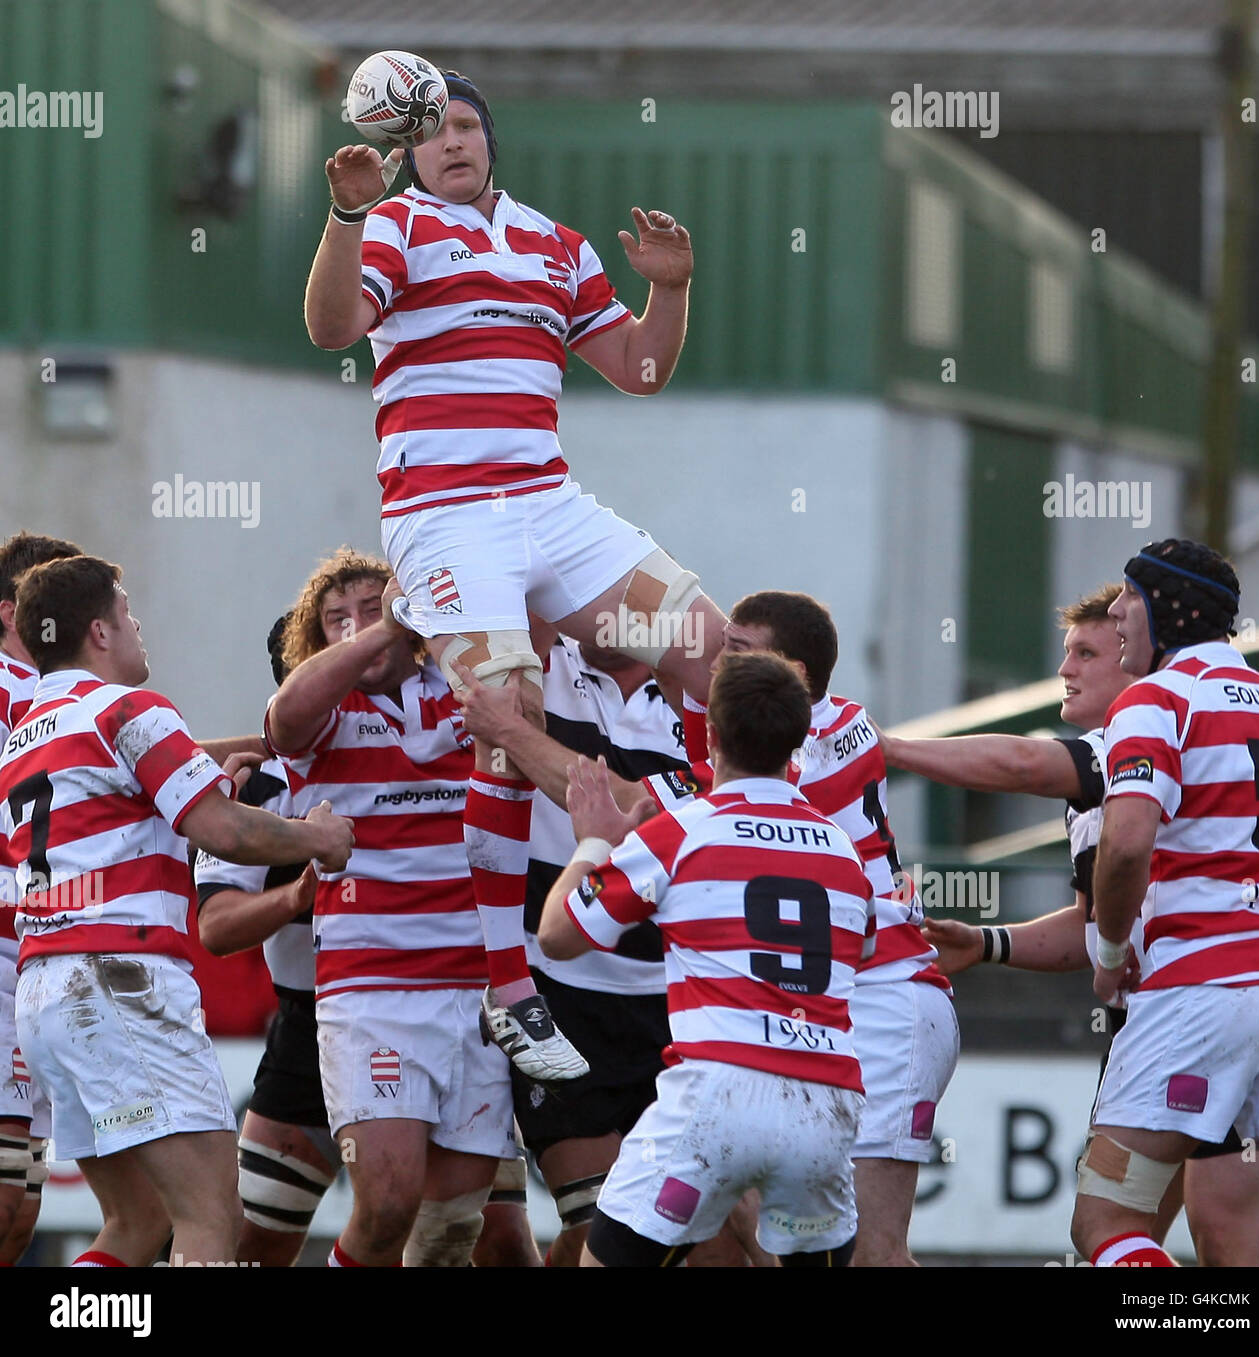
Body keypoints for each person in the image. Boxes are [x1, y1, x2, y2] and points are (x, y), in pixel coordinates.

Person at [304, 67, 727, 1079]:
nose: (451, 143)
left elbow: (642, 370)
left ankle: (719, 851)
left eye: (465, 127)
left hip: (546, 503)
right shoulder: (393, 228)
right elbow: (328, 330)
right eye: (432, 133)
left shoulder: (554, 242)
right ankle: (511, 986)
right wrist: (342, 215)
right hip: (445, 518)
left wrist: (669, 287)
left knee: (709, 644)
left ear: (489, 140)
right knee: (506, 703)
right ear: (405, 155)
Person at [885, 582, 1259, 1266]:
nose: (1066, 668)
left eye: (1087, 651)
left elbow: (1023, 761)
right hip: (1217, 1003)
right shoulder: (1136, 757)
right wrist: (988, 941)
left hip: (1186, 1012)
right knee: (1167, 1237)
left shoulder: (1125, 741)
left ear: (1134, 653)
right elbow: (1096, 926)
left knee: (1124, 1227)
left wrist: (894, 749)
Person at [0, 555, 353, 1267]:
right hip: (119, 979)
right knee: (208, 1215)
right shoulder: (130, 709)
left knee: (138, 1219)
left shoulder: (25, 735)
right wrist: (320, 837)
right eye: (128, 613)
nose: (137, 626)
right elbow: (224, 830)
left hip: (42, 994)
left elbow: (115, 821)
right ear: (98, 630)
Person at [636, 593, 958, 1266]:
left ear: (798, 676)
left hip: (885, 997)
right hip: (835, 1007)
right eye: (725, 643)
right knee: (759, 1214)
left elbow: (633, 811)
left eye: (742, 650)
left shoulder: (803, 750)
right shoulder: (820, 727)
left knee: (872, 1253)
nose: (721, 660)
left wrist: (515, 735)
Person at [538, 651, 872, 1267]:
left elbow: (558, 934)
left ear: (711, 735)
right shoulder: (843, 851)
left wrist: (593, 841)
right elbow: (865, 945)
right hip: (825, 1104)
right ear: (798, 740)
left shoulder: (682, 828)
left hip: (718, 1095)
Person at [265, 548, 518, 1268]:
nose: (352, 627)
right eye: (335, 618)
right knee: (386, 1204)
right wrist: (384, 626)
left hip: (477, 989)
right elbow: (284, 719)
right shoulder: (324, 713)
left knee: (447, 1233)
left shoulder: (464, 692)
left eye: (370, 607)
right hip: (373, 990)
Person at [1071, 539, 1259, 1267]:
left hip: (1201, 987)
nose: (1115, 609)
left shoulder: (1156, 699)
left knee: (1106, 1218)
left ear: (1164, 609)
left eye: (1128, 596)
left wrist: (1110, 951)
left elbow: (1128, 841)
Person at [457, 636, 689, 1264]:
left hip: (670, 1005)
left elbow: (640, 811)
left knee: (663, 1240)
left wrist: (512, 732)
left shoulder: (691, 696)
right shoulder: (537, 665)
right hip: (553, 996)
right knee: (594, 1224)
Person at [194, 615, 342, 1266]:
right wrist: (294, 897)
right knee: (249, 1249)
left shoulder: (424, 759)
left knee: (483, 1237)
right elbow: (216, 927)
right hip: (311, 1031)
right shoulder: (260, 787)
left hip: (435, 1014)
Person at [0, 531, 81, 1265]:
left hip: (37, 951)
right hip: (8, 948)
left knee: (21, 1206)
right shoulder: (17, 691)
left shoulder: (67, 696)